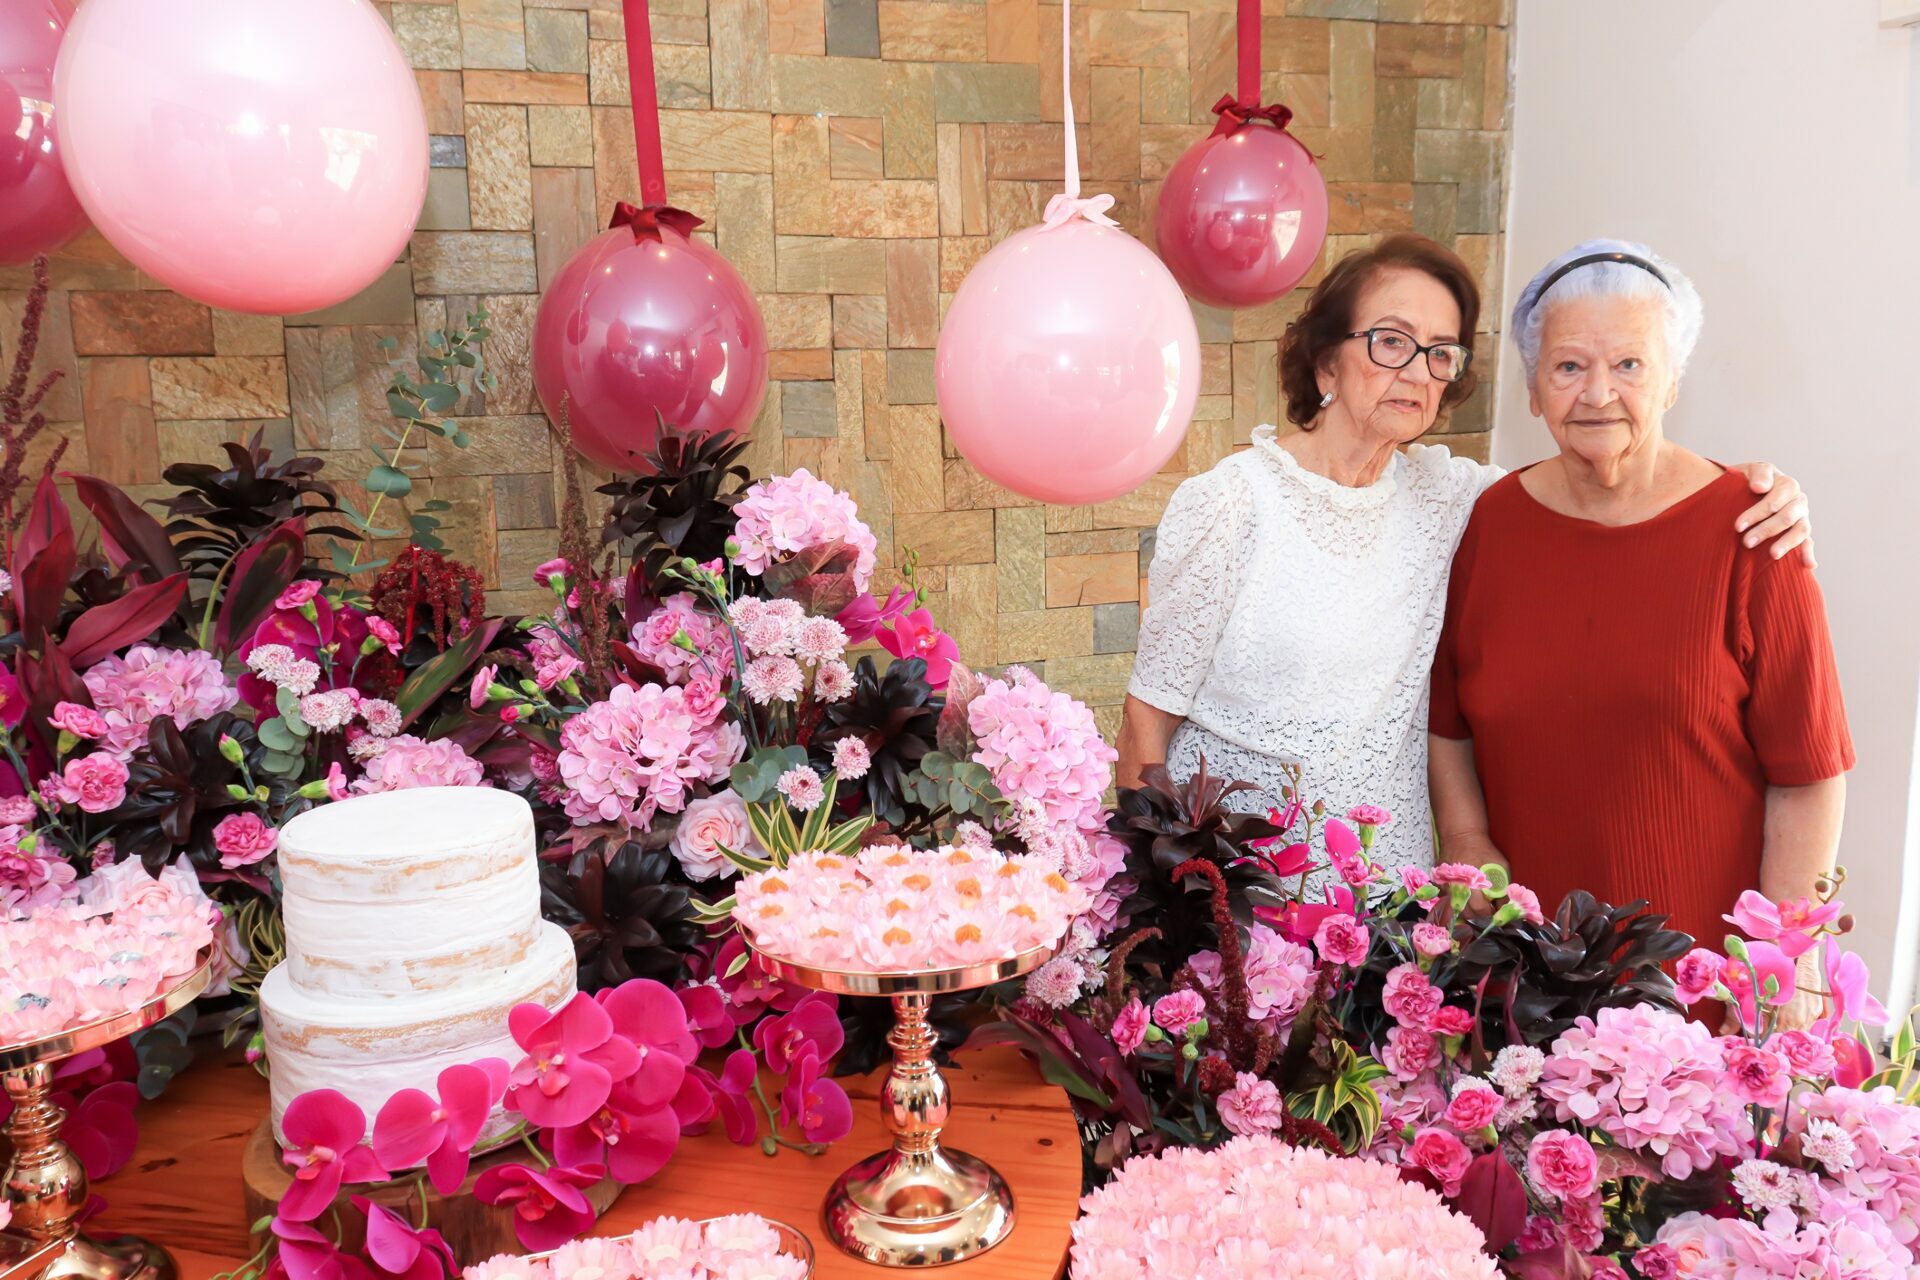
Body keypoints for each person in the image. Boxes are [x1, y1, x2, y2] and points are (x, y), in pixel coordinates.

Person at [1119, 234, 1814, 880]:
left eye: (1439, 352)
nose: (1415, 371)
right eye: (1391, 341)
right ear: (1327, 358)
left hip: (1386, 898)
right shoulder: (1232, 503)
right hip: (1238, 884)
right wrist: (1172, 891)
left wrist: (1749, 486)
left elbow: (1596, 476)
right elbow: (1147, 723)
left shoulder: (1452, 497)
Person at [1427, 240, 1852, 1025]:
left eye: (1629, 364)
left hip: (1704, 980)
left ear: (1672, 380)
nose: (1598, 393)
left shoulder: (1752, 529)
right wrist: (1466, 835)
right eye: (1568, 366)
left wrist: (1784, 960)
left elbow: (1809, 772)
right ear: (1533, 390)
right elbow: (1449, 724)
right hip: (1528, 972)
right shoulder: (1494, 522)